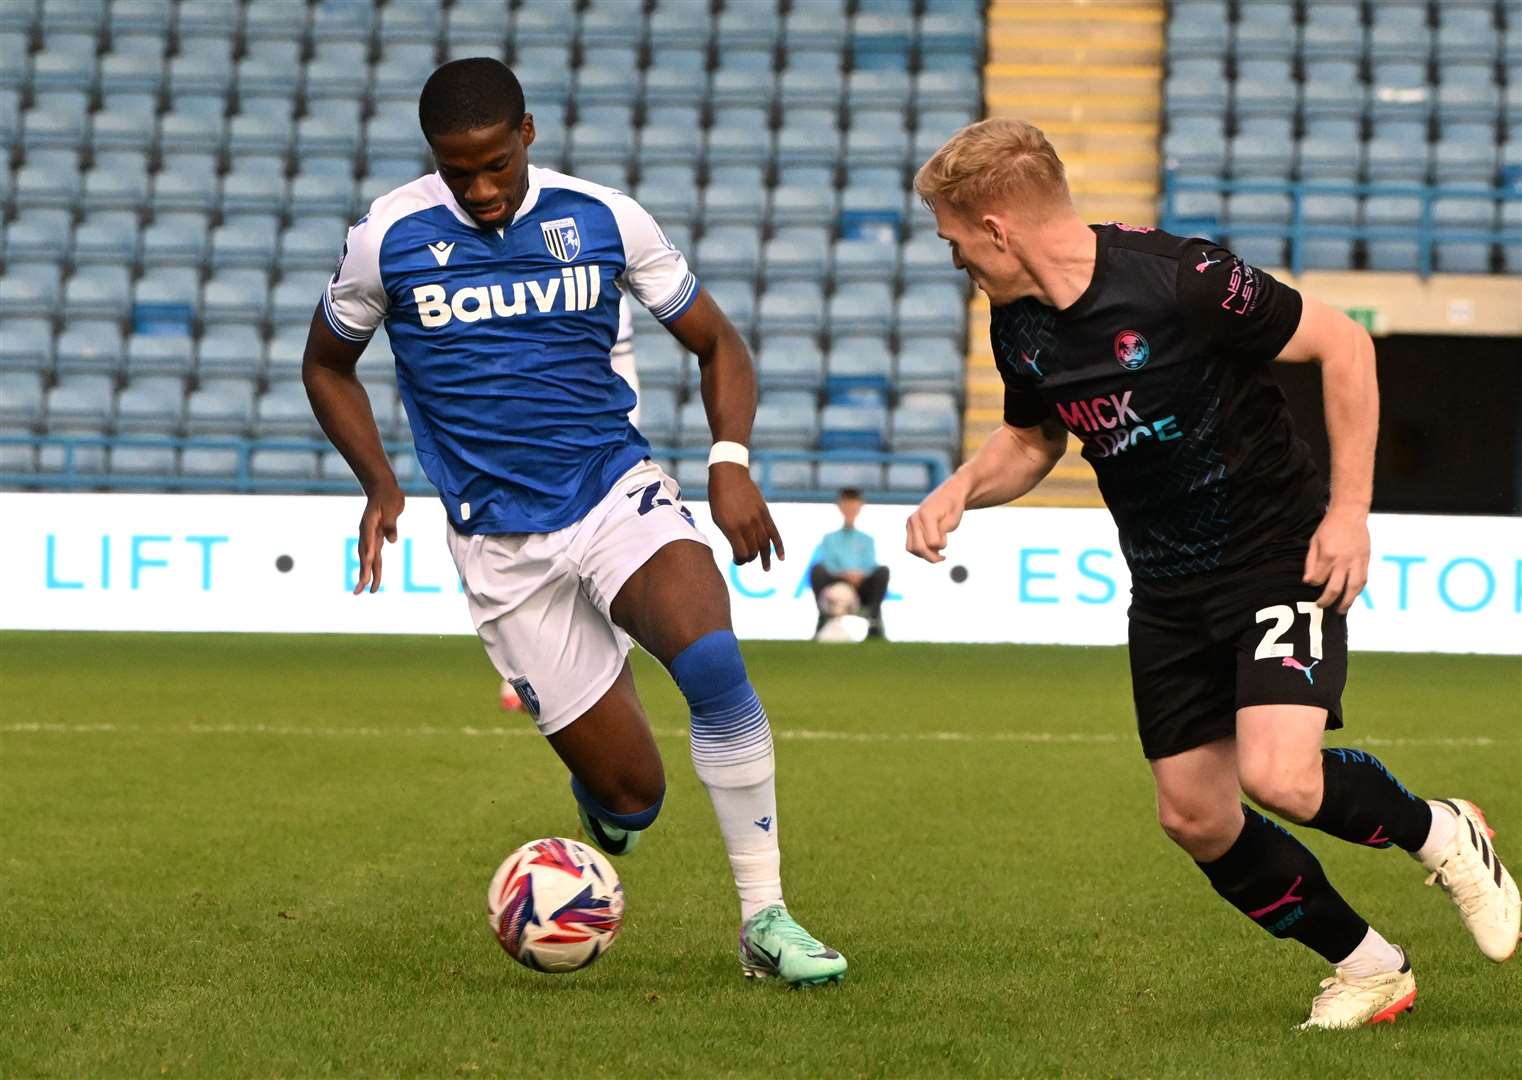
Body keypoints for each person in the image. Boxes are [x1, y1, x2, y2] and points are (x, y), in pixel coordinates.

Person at [904, 118, 1518, 1029]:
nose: (952, 257)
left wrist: (1350, 511)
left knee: (1283, 777)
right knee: (1195, 816)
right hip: (1164, 589)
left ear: (997, 227)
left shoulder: (1183, 280)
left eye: (954, 238)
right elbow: (1035, 439)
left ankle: (1442, 833)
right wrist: (962, 487)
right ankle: (1368, 965)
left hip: (1275, 552)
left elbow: (1346, 346)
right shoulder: (1018, 324)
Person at [302, 58, 845, 986]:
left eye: (494, 166)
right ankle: (605, 810)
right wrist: (380, 483)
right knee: (635, 798)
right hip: (501, 544)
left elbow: (716, 341)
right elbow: (326, 364)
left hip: (612, 491)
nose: (476, 189)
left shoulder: (603, 218)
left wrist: (730, 465)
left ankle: (767, 921)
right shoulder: (385, 237)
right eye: (454, 169)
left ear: (528, 135)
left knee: (714, 665)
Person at [809, 487, 890, 639]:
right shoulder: (830, 538)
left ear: (860, 506)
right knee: (817, 570)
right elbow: (828, 563)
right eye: (846, 503)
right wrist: (845, 575)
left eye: (853, 503)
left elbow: (870, 563)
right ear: (839, 506)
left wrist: (859, 575)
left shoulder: (867, 539)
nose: (850, 508)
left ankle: (873, 621)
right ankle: (823, 616)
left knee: (882, 572)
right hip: (836, 582)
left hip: (862, 584)